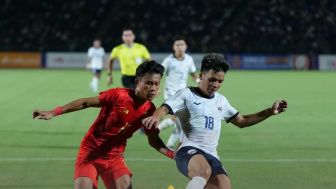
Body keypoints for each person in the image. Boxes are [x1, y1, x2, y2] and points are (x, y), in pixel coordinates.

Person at [142, 53, 288, 189]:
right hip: (188, 150)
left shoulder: (221, 101)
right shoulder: (187, 94)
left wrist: (270, 111)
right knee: (203, 172)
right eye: (212, 79)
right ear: (201, 76)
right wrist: (156, 117)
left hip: (212, 154)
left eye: (220, 81)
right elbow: (165, 108)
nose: (215, 84)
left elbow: (242, 121)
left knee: (224, 186)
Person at [33, 60, 174, 189]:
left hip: (114, 157)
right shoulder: (118, 95)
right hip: (90, 153)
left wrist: (172, 154)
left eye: (156, 84)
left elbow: (154, 140)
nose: (153, 88)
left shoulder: (150, 111)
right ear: (137, 82)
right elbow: (85, 102)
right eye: (148, 83)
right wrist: (54, 112)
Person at [158, 36, 199, 149]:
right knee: (180, 118)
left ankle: (168, 143)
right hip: (170, 93)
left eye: (182, 45)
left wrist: (198, 81)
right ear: (174, 47)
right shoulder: (168, 60)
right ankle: (157, 130)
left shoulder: (189, 59)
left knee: (181, 121)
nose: (180, 47)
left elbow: (193, 72)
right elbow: (159, 74)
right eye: (178, 45)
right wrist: (157, 88)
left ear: (185, 47)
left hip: (183, 93)